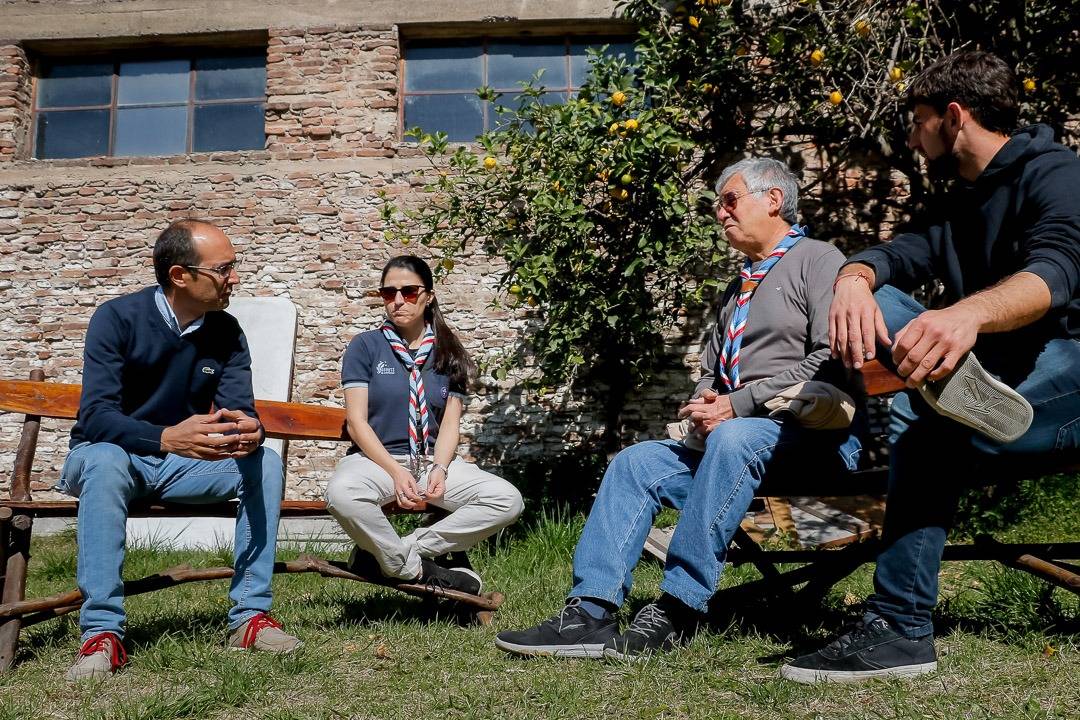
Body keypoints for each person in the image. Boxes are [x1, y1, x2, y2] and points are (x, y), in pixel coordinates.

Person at [782, 50, 1080, 684]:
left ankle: (953, 392)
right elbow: (900, 252)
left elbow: (1055, 273)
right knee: (920, 422)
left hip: (1069, 375)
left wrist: (965, 317)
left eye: (918, 122)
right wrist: (856, 277)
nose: (912, 138)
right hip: (1000, 378)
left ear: (954, 116)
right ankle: (902, 630)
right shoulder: (961, 203)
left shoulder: (1056, 174)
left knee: (928, 428)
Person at [495, 157, 861, 659]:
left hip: (810, 442)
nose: (720, 213)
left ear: (773, 200)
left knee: (735, 436)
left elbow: (830, 357)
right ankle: (590, 611)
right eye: (718, 204)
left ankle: (678, 608)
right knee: (636, 462)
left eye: (730, 200)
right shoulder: (741, 287)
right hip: (735, 447)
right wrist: (707, 402)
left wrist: (737, 405)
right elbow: (715, 370)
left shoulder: (820, 261)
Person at [59, 220, 299, 682]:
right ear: (179, 276)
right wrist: (166, 438)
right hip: (107, 456)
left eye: (234, 266)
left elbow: (238, 411)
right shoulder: (117, 318)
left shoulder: (226, 332)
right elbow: (95, 417)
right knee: (106, 461)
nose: (235, 277)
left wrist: (251, 432)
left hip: (179, 465)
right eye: (223, 269)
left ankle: (249, 618)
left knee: (263, 464)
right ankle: (102, 633)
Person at [325, 255, 523, 595]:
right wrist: (396, 471)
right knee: (341, 494)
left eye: (409, 291)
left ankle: (395, 553)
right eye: (389, 293)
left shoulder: (448, 351)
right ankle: (418, 569)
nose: (398, 301)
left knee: (507, 499)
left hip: (431, 461)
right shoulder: (366, 346)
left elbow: (449, 424)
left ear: (428, 295)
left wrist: (441, 469)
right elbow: (357, 423)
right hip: (377, 460)